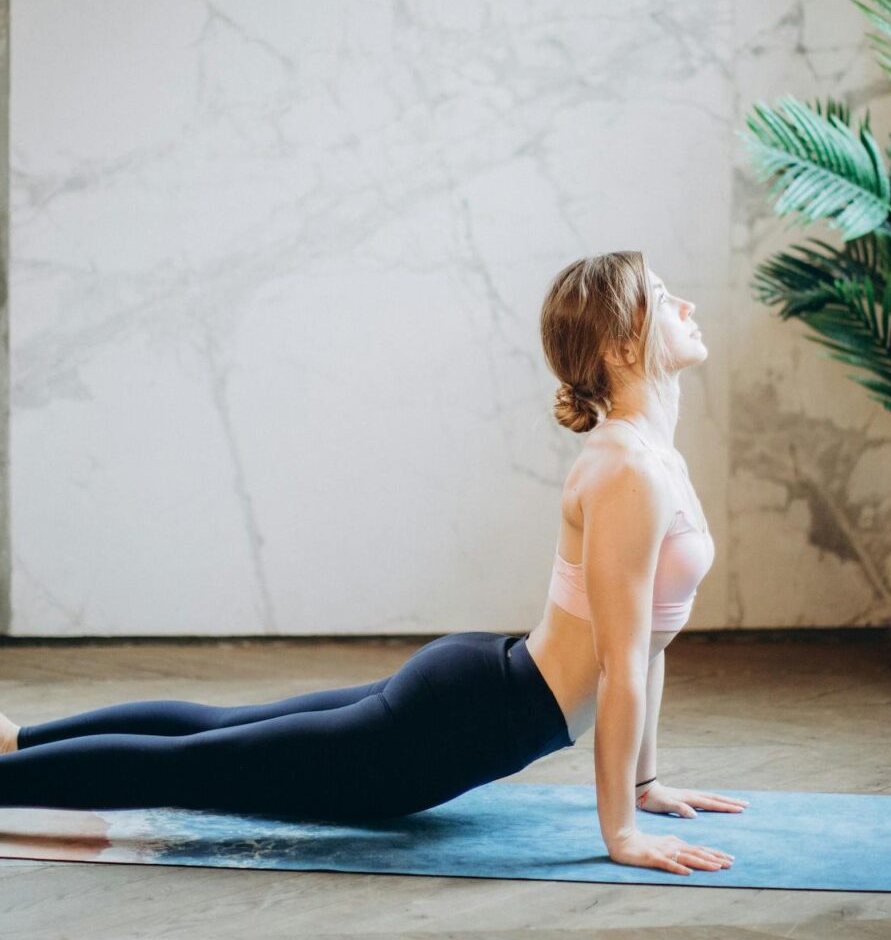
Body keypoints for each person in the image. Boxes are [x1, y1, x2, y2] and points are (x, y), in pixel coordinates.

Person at [0, 249, 743, 877]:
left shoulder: (649, 459)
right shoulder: (628, 473)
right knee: (196, 766)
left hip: (480, 688)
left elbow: (650, 641)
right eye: (660, 298)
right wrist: (620, 834)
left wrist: (643, 784)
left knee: (219, 732)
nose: (683, 304)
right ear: (620, 347)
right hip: (456, 726)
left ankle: (15, 740)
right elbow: (617, 667)